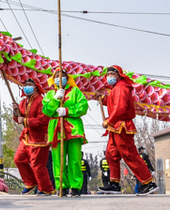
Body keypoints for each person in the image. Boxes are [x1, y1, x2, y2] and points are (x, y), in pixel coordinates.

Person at [97, 65, 157, 195]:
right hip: (115, 128)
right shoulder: (115, 89)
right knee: (111, 154)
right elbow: (113, 102)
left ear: (119, 75)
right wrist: (103, 99)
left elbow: (120, 108)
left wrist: (109, 121)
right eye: (108, 74)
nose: (110, 77)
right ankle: (114, 183)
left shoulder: (121, 87)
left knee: (129, 154)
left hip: (121, 126)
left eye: (113, 74)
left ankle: (148, 182)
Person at [42, 67, 88, 197]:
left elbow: (83, 106)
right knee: (57, 160)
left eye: (62, 75)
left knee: (75, 159)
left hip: (73, 129)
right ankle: (61, 186)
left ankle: (75, 186)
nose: (59, 78)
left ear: (67, 78)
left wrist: (67, 111)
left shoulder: (75, 91)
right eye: (56, 75)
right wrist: (56, 99)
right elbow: (46, 111)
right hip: (56, 130)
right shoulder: (50, 94)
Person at [12, 78, 54, 195]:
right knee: (18, 159)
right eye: (25, 85)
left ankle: (46, 188)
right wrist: (15, 111)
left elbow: (43, 120)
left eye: (29, 84)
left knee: (38, 165)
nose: (27, 87)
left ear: (36, 87)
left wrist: (25, 121)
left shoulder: (42, 101)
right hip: (26, 138)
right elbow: (18, 119)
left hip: (39, 139)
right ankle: (30, 182)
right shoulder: (23, 102)